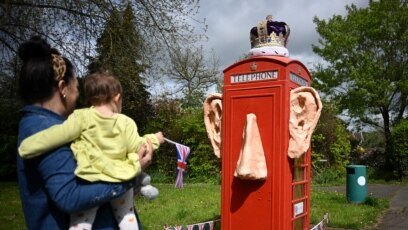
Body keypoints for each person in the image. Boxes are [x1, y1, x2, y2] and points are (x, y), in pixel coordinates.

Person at [16, 36, 154, 229]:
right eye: (77, 87)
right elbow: (69, 197)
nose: (78, 95)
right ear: (63, 88)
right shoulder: (45, 128)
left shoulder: (45, 125)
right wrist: (130, 174)